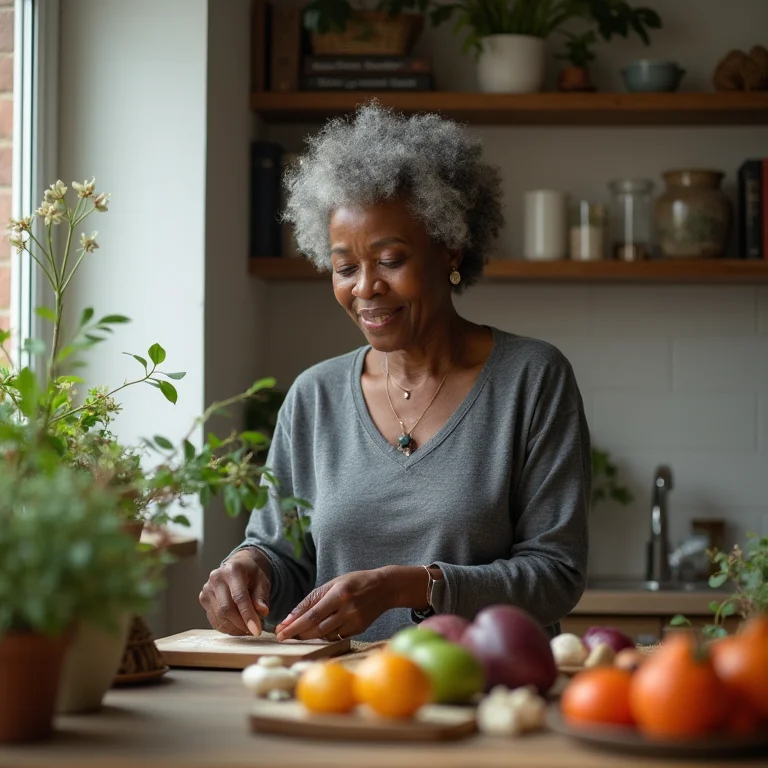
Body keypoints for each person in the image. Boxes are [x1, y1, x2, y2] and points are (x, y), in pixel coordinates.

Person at [199, 102, 591, 643]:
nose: (365, 288)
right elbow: (284, 559)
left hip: (489, 693)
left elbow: (555, 575)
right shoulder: (316, 396)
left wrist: (409, 587)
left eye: (390, 260)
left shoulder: (532, 379)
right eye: (344, 267)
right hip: (342, 696)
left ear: (449, 248)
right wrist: (249, 571)